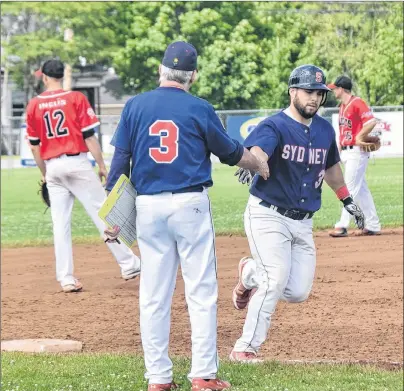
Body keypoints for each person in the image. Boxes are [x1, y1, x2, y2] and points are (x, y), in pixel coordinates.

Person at [104, 41, 269, 391]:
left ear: (161, 70)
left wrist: (113, 213)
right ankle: (203, 375)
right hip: (190, 205)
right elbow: (230, 153)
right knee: (201, 290)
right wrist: (258, 163)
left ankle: (159, 379)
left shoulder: (134, 105)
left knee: (153, 295)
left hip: (147, 207)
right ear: (193, 74)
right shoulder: (200, 107)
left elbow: (120, 163)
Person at [229, 65, 365, 363]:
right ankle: (245, 347)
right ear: (292, 92)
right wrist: (252, 161)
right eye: (308, 92)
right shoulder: (274, 125)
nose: (314, 98)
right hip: (268, 215)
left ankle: (249, 273)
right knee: (274, 279)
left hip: (303, 221)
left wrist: (346, 199)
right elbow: (259, 152)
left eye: (319, 93)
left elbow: (330, 168)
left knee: (297, 291)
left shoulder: (324, 130)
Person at [26, 59, 141, 293]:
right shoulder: (76, 98)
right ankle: (128, 264)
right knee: (103, 214)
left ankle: (66, 278)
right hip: (77, 162)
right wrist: (101, 165)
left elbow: (35, 147)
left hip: (53, 166)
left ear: (45, 77)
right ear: (61, 75)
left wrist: (45, 174)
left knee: (60, 224)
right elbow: (89, 137)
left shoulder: (33, 105)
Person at [327, 76, 381, 237]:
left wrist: (360, 136)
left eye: (335, 88)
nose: (333, 91)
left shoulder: (357, 102)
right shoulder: (343, 106)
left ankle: (342, 225)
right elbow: (343, 132)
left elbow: (371, 121)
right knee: (361, 189)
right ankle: (373, 224)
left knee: (349, 188)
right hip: (346, 151)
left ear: (342, 88)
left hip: (357, 152)